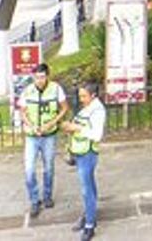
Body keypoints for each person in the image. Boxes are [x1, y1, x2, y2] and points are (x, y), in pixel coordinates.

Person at [18, 63, 70, 216]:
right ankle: (34, 200)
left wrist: (52, 123)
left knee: (49, 168)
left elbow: (64, 107)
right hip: (32, 135)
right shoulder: (28, 91)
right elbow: (22, 112)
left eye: (42, 77)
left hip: (49, 134)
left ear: (47, 76)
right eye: (36, 77)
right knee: (29, 169)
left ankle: (47, 196)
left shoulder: (55, 89)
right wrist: (31, 126)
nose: (39, 80)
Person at [61, 81, 106, 241]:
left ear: (93, 95)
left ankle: (90, 225)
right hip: (80, 152)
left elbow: (96, 134)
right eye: (80, 96)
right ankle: (89, 214)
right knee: (89, 187)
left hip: (88, 153)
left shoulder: (97, 111)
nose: (81, 99)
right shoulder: (87, 108)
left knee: (86, 189)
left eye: (84, 96)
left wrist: (76, 128)